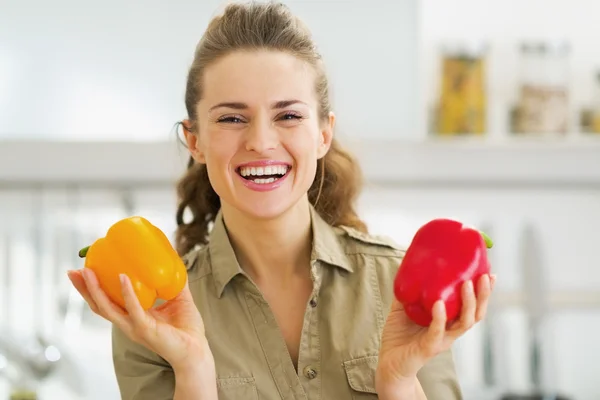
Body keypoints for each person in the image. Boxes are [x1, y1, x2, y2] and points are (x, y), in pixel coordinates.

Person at [67, 2, 495, 399]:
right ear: (194, 140)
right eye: (232, 118)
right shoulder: (151, 311)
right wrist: (193, 367)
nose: (261, 141)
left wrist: (399, 381)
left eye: (288, 116)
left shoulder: (401, 286)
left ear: (323, 134)